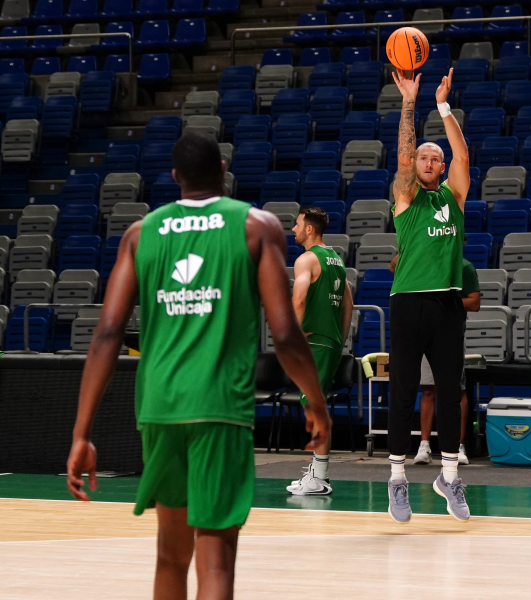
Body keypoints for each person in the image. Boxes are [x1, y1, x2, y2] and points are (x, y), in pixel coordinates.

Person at [66, 132, 331, 600]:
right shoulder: (255, 226)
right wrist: (316, 402)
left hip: (160, 406)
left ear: (175, 178)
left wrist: (81, 433)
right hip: (219, 407)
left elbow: (106, 334)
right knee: (216, 560)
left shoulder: (140, 233)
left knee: (170, 554)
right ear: (224, 169)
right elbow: (286, 333)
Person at [387, 68, 471, 524]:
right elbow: (403, 155)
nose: (428, 160)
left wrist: (442, 106)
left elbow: (461, 151)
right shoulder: (405, 196)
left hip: (447, 303)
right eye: (423, 156)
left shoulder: (455, 196)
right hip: (408, 302)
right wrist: (410, 101)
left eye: (434, 157)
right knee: (402, 391)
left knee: (450, 391)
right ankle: (397, 479)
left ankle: (449, 477)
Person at [286, 207, 354, 496]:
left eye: (297, 224)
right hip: (330, 342)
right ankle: (317, 471)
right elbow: (348, 303)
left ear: (310, 229)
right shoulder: (335, 260)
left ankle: (320, 477)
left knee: (314, 408)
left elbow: (299, 298)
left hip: (313, 344)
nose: (293, 229)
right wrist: (339, 338)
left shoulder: (306, 260)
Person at [388, 256, 481, 466]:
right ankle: (424, 444)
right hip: (421, 329)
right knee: (427, 389)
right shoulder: (421, 262)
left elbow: (475, 302)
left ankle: (458, 445)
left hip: (448, 333)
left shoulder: (464, 267)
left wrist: (445, 303)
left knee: (455, 391)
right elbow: (392, 265)